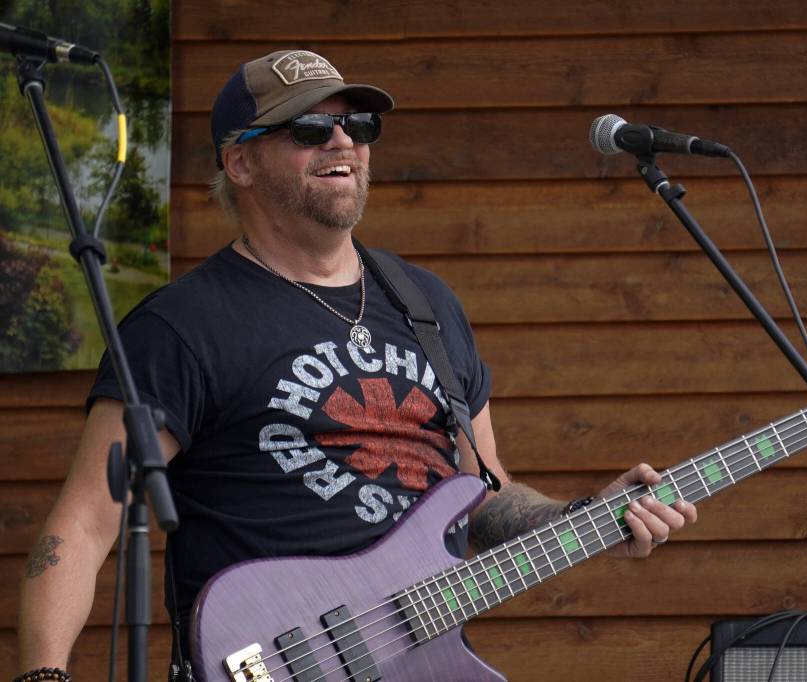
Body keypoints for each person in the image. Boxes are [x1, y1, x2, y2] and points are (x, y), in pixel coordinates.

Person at [16, 49, 697, 679]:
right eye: (309, 129)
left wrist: (587, 519)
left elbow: (483, 492)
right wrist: (42, 676)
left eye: (358, 125)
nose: (343, 142)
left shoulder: (426, 303)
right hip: (268, 657)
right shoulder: (183, 326)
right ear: (240, 163)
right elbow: (81, 524)